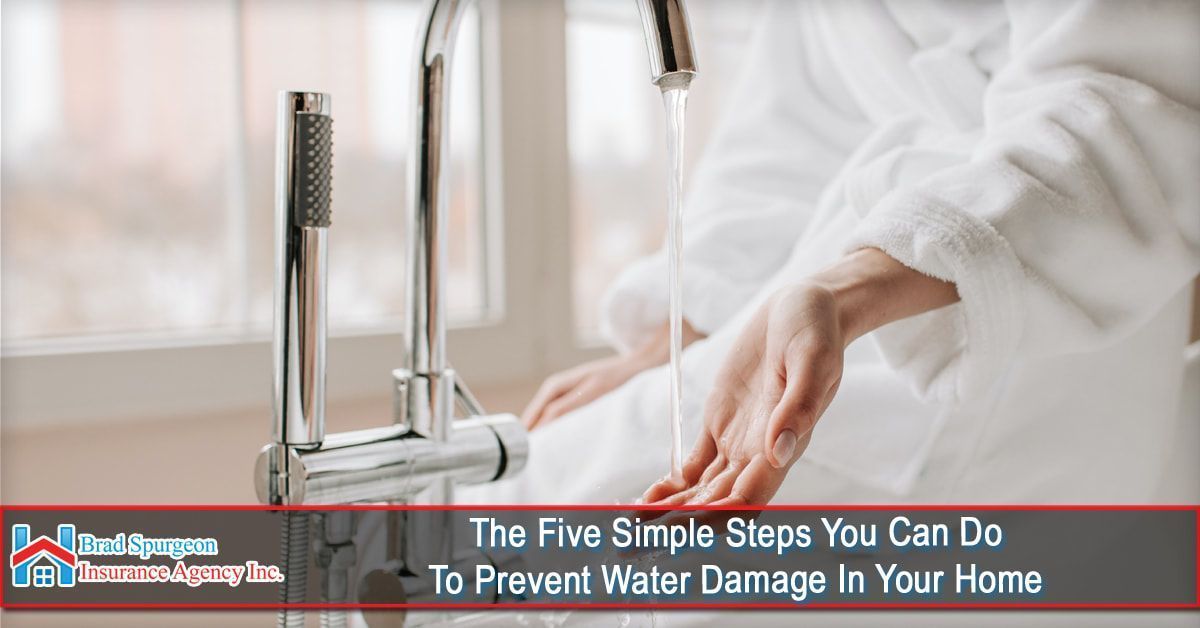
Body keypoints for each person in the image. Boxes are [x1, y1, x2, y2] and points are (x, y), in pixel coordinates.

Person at [467, 0, 1200, 506]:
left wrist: (857, 286)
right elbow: (787, 133)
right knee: (526, 491)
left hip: (1021, 301)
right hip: (823, 294)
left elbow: (1137, 94)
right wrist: (671, 344)